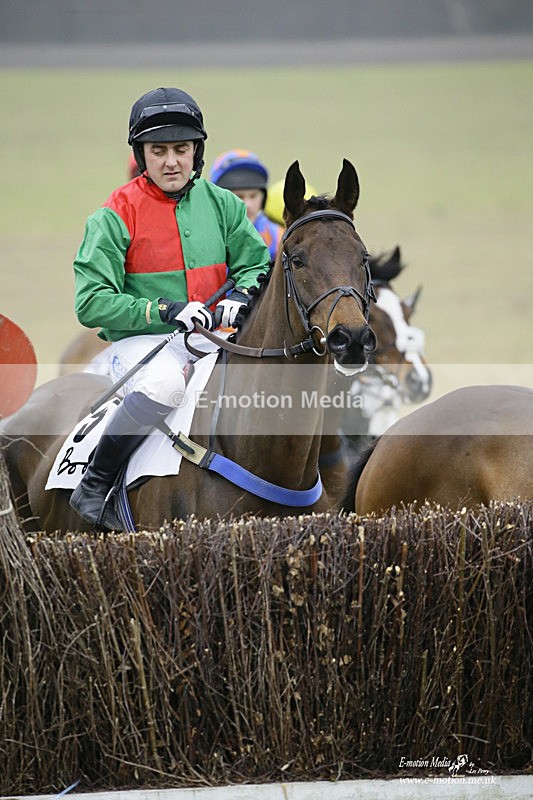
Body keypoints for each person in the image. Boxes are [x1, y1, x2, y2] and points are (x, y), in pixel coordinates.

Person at [69, 87, 270, 530]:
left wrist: (241, 294)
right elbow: (90, 302)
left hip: (214, 338)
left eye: (181, 149)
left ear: (197, 152)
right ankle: (95, 487)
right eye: (158, 151)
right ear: (142, 155)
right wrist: (164, 310)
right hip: (143, 344)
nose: (171, 161)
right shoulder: (113, 215)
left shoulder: (224, 205)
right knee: (163, 384)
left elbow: (257, 263)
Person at [210, 149, 283, 261]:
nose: (248, 205)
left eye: (253, 196)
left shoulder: (278, 237)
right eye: (239, 197)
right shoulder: (203, 234)